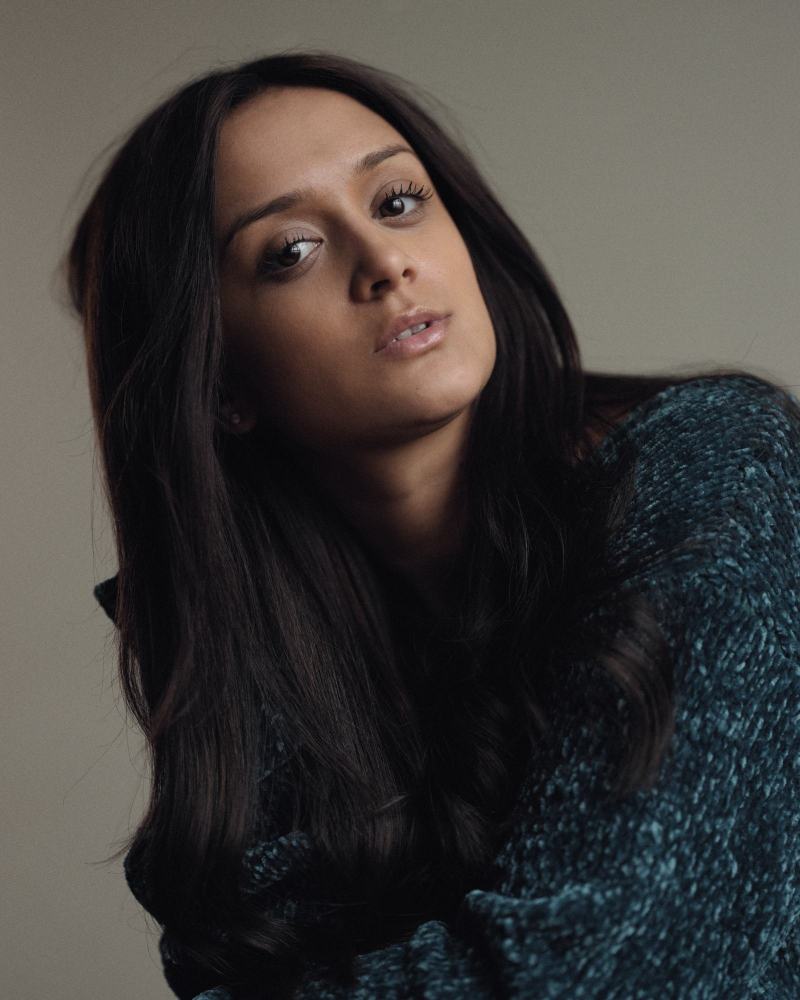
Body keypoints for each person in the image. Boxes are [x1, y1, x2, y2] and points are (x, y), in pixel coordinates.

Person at [68, 51, 800, 999]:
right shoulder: (259, 640)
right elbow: (244, 957)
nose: (385, 263)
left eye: (398, 201)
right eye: (291, 251)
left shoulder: (709, 462)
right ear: (219, 386)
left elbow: (603, 966)